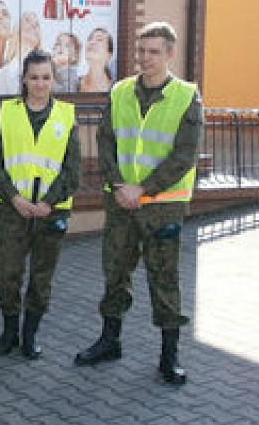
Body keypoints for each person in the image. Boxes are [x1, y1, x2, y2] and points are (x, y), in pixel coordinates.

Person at [74, 21, 204, 386]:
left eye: (154, 52)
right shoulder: (119, 92)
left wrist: (142, 188)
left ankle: (169, 355)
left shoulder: (186, 97)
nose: (145, 59)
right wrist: (119, 184)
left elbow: (184, 156)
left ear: (170, 54)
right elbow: (105, 142)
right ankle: (109, 341)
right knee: (115, 271)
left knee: (163, 277)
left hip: (163, 204)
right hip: (121, 202)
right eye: (141, 51)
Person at [0, 50, 81, 359]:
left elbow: (72, 170)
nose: (40, 84)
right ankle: (10, 330)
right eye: (34, 77)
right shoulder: (7, 112)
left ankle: (30, 334)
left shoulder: (66, 115)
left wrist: (48, 203)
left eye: (46, 77)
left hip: (50, 213)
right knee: (7, 273)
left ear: (54, 80)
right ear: (24, 79)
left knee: (42, 277)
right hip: (13, 209)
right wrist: (15, 197)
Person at [0, 11, 42, 96]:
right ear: (17, 30)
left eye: (37, 24)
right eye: (27, 21)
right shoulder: (1, 75)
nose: (34, 25)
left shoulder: (49, 69)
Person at [77, 27, 115, 93]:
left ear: (109, 55)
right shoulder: (73, 84)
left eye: (99, 39)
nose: (92, 42)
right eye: (90, 39)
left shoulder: (115, 88)